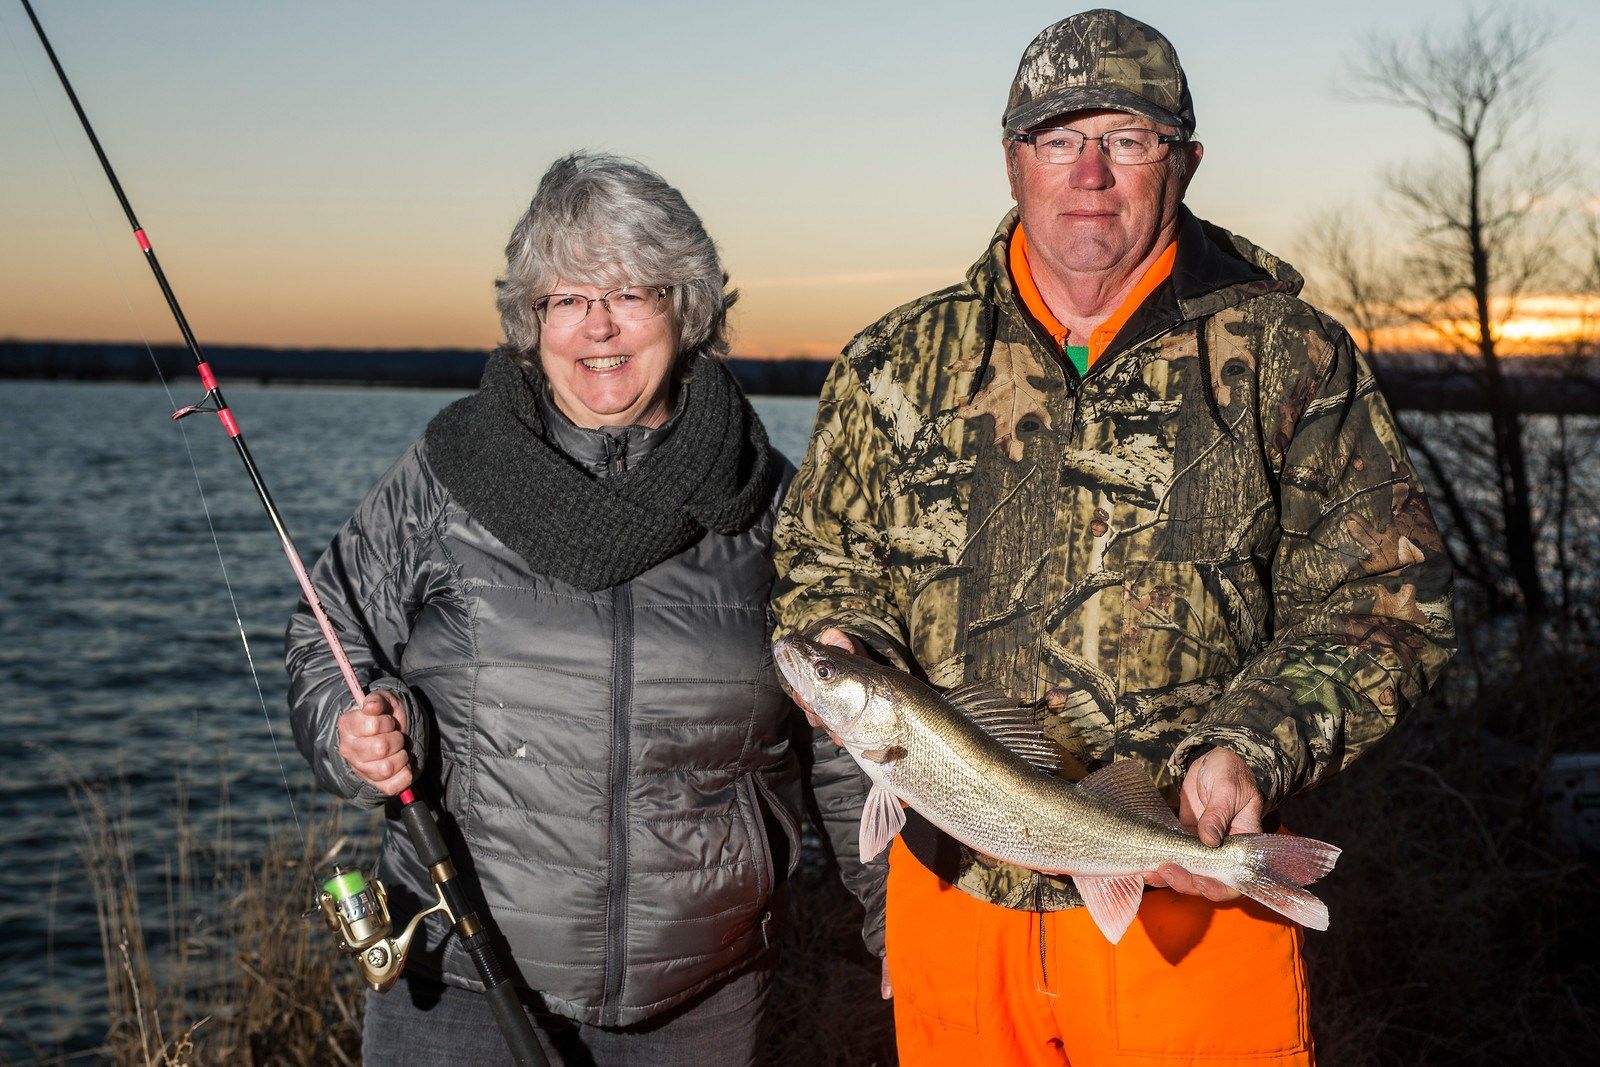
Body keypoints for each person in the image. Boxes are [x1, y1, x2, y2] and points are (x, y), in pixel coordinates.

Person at [772, 9, 1455, 1065]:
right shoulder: (891, 363)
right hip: (956, 902)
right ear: (1012, 161)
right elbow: (822, 560)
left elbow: (1385, 600)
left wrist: (1248, 747)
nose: (1089, 172)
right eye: (1058, 140)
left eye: (1126, 140)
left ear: (1181, 162)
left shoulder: (1288, 355)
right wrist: (843, 635)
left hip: (1188, 910)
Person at [287, 151, 809, 1066]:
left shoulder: (767, 501)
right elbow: (324, 631)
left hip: (702, 999)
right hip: (459, 984)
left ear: (684, 310)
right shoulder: (452, 471)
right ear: (532, 321)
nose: (596, 327)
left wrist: (887, 921)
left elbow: (850, 740)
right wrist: (352, 726)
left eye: (630, 294)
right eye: (565, 299)